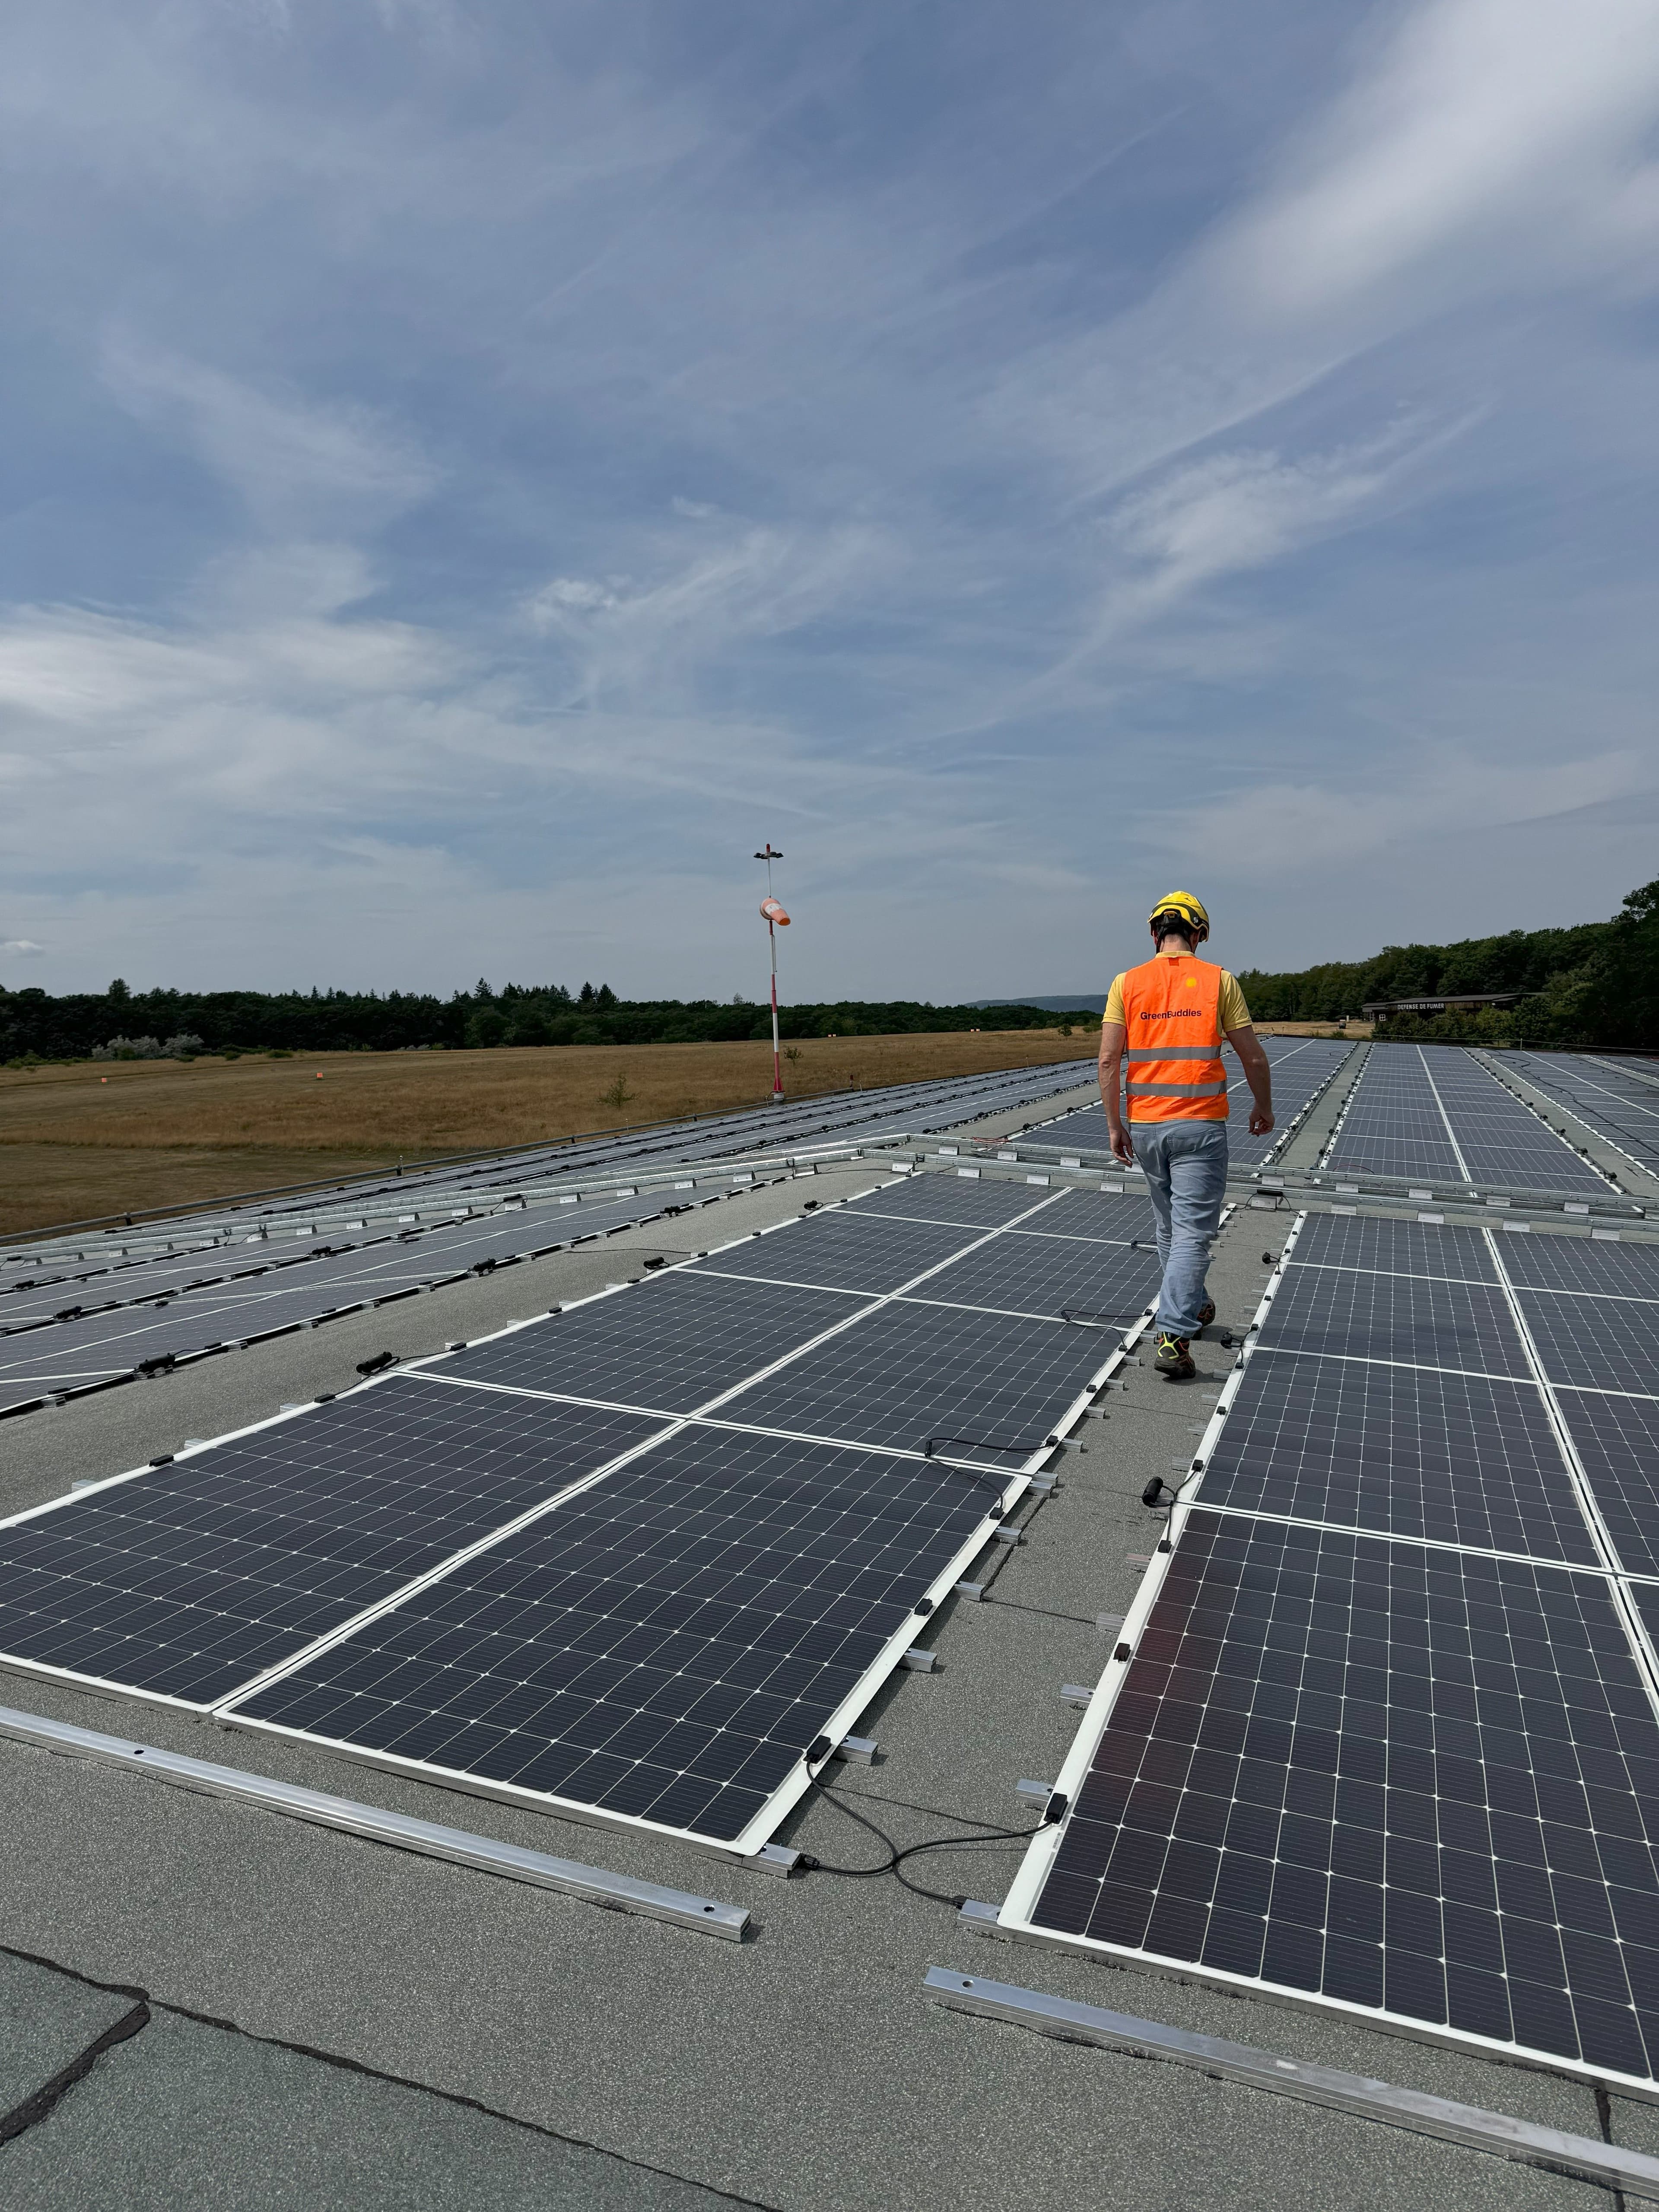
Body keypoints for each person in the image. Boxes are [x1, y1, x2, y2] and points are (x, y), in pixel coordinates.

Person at [1097, 891, 1273, 1380]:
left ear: (1156, 933)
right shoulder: (1220, 981)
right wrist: (1263, 1104)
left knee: (1171, 1230)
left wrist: (1115, 1124)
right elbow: (1253, 1056)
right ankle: (1173, 1334)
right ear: (1199, 933)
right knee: (1193, 1232)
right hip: (1200, 1127)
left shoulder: (1125, 983)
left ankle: (1193, 1303)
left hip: (1148, 1128)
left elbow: (1110, 1060)